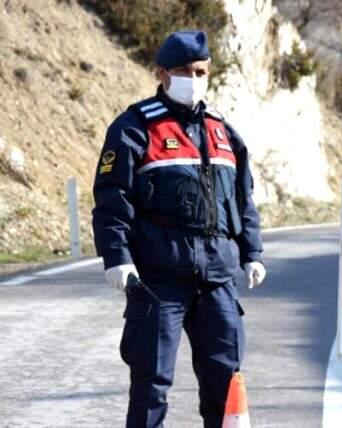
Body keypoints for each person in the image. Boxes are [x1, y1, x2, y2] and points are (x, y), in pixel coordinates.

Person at [92, 30, 266, 427]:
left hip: (218, 277)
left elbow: (242, 199)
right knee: (151, 382)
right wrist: (117, 257)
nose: (194, 77)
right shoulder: (135, 127)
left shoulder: (223, 131)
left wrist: (252, 252)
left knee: (226, 382)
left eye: (201, 70)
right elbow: (112, 198)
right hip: (159, 277)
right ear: (162, 73)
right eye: (185, 70)